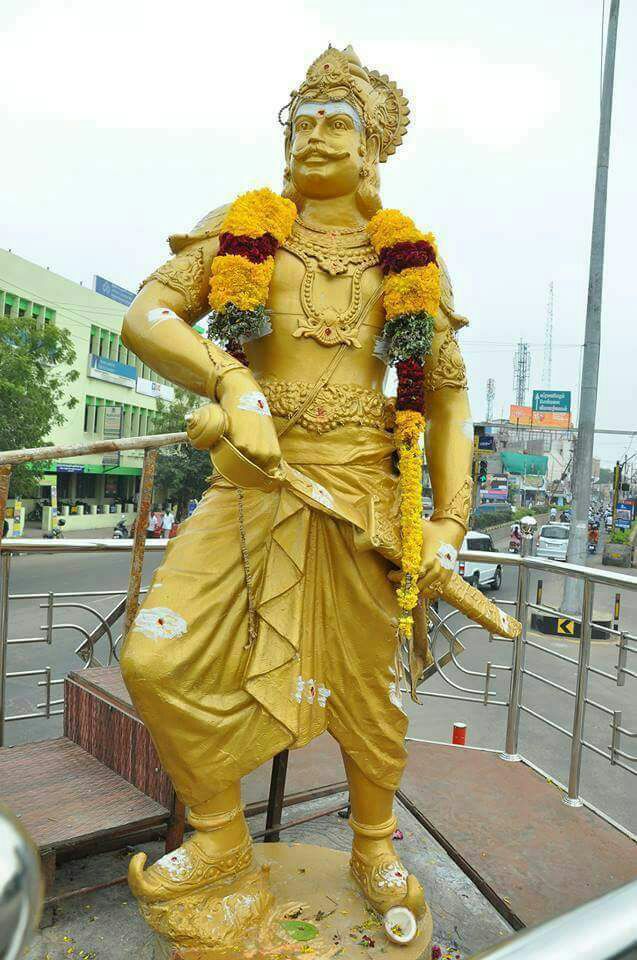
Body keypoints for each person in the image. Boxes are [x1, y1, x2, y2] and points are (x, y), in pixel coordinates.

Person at [120, 46, 487, 941]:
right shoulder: (241, 230)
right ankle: (218, 838)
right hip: (251, 488)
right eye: (303, 121)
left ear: (370, 150)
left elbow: (446, 402)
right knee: (155, 660)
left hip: (363, 504)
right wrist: (231, 383)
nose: (314, 135)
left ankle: (372, 845)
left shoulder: (409, 259)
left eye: (336, 123)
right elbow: (146, 317)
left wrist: (446, 522)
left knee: (372, 690)